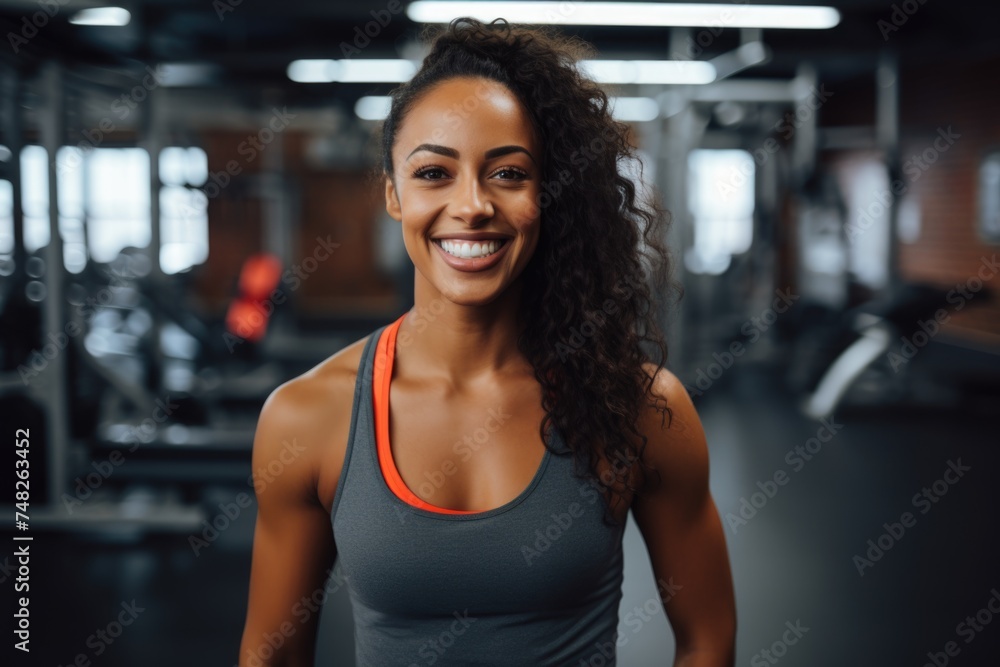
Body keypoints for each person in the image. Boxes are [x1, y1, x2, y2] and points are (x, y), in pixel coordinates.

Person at [239, 16, 736, 667]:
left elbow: (707, 638)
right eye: (434, 173)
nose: (472, 204)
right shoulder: (305, 417)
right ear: (394, 194)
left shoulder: (638, 406)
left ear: (546, 196)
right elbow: (269, 657)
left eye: (507, 173)